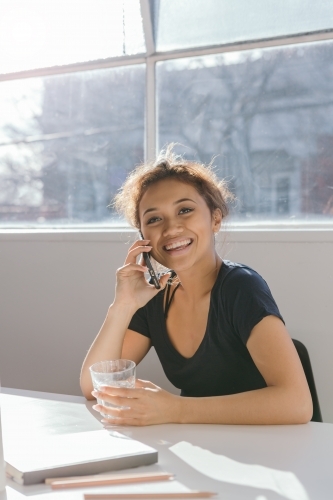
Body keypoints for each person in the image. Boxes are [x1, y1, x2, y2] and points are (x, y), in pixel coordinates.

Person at [80, 147, 312, 426]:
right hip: (199, 443)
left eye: (185, 210)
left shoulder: (241, 287)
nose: (171, 228)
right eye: (154, 219)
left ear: (215, 219)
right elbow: (93, 387)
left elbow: (297, 404)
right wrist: (123, 306)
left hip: (265, 450)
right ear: (143, 237)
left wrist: (175, 410)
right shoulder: (154, 295)